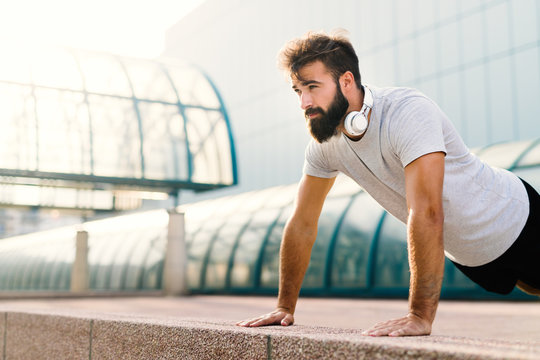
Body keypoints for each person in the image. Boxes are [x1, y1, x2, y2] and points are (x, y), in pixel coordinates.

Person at [236, 30, 540, 337]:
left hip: (512, 216)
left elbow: (426, 210)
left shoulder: (407, 111)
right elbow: (302, 223)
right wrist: (284, 308)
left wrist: (419, 315)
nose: (304, 102)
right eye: (298, 90)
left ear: (346, 81)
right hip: (469, 253)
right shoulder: (324, 144)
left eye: (313, 87)